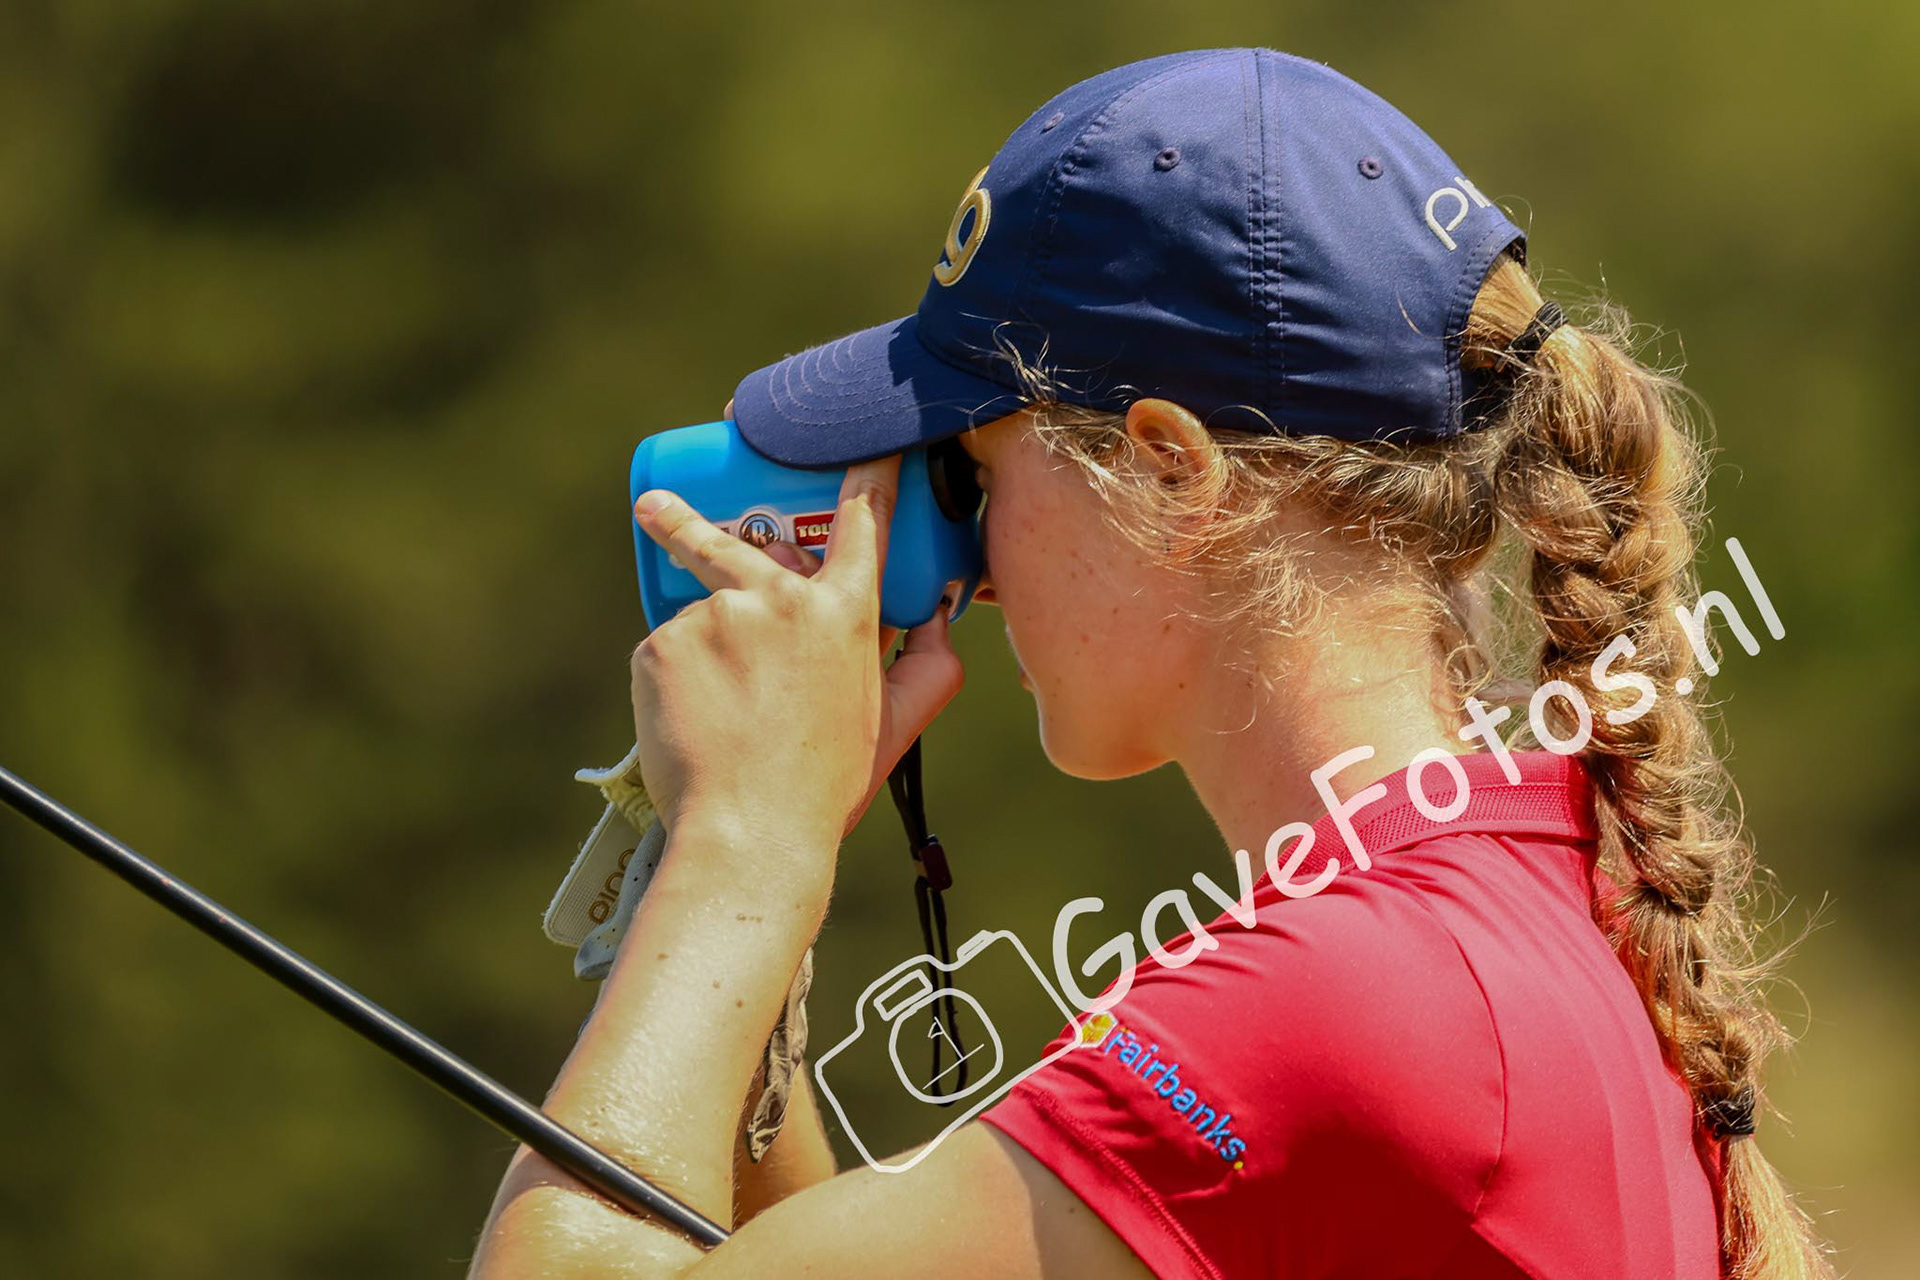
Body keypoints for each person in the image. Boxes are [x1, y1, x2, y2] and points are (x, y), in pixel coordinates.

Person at [468, 48, 1830, 1279]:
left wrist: (739, 853)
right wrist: (761, 936)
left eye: (974, 464)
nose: (973, 564)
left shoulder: (1347, 1014)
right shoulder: (1532, 887)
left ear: (1174, 474)